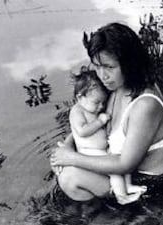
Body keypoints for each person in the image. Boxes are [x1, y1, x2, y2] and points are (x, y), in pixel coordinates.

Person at [50, 22, 163, 204]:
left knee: (70, 177)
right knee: (64, 168)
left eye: (109, 67)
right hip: (122, 174)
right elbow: (89, 123)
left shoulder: (145, 105)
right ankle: (96, 215)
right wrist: (66, 148)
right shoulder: (114, 88)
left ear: (129, 63)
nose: (102, 75)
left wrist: (72, 158)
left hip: (150, 185)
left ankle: (104, 219)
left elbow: (126, 163)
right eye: (97, 66)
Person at [63, 67, 147, 205]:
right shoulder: (76, 111)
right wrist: (99, 121)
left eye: (103, 102)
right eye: (96, 102)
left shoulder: (91, 108)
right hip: (89, 152)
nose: (100, 106)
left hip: (102, 151)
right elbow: (82, 131)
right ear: (80, 97)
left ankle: (128, 186)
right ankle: (122, 197)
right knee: (114, 171)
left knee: (122, 163)